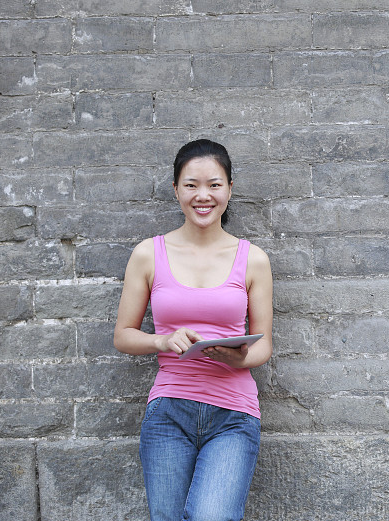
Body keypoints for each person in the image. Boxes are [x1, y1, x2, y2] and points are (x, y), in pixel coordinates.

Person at [113, 139, 273, 521]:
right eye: (191, 185)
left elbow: (264, 342)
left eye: (214, 185)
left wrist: (241, 356)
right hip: (168, 413)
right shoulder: (149, 254)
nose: (203, 196)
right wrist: (162, 340)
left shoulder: (253, 258)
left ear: (230, 189)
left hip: (233, 416)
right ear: (176, 190)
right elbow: (123, 334)